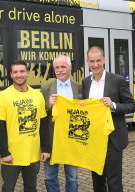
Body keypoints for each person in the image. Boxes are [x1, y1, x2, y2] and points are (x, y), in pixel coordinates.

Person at [82, 46, 135, 192]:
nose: (95, 64)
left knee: (114, 181)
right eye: (92, 61)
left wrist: (113, 105)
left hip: (113, 139)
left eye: (98, 60)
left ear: (104, 60)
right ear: (87, 62)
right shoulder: (86, 82)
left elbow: (132, 106)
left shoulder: (118, 80)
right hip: (94, 139)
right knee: (97, 180)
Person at [0, 60, 51, 192]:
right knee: (8, 188)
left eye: (22, 71)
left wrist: (46, 148)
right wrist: (4, 152)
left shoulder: (38, 95)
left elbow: (43, 124)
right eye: (15, 72)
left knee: (31, 188)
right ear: (11, 75)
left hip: (33, 153)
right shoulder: (3, 96)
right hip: (12, 155)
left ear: (27, 73)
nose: (19, 75)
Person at [40, 55, 82, 192]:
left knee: (72, 178)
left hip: (72, 140)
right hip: (52, 140)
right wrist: (48, 105)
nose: (60, 70)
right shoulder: (46, 87)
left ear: (70, 68)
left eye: (63, 66)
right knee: (50, 177)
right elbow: (41, 115)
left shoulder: (80, 88)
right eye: (57, 67)